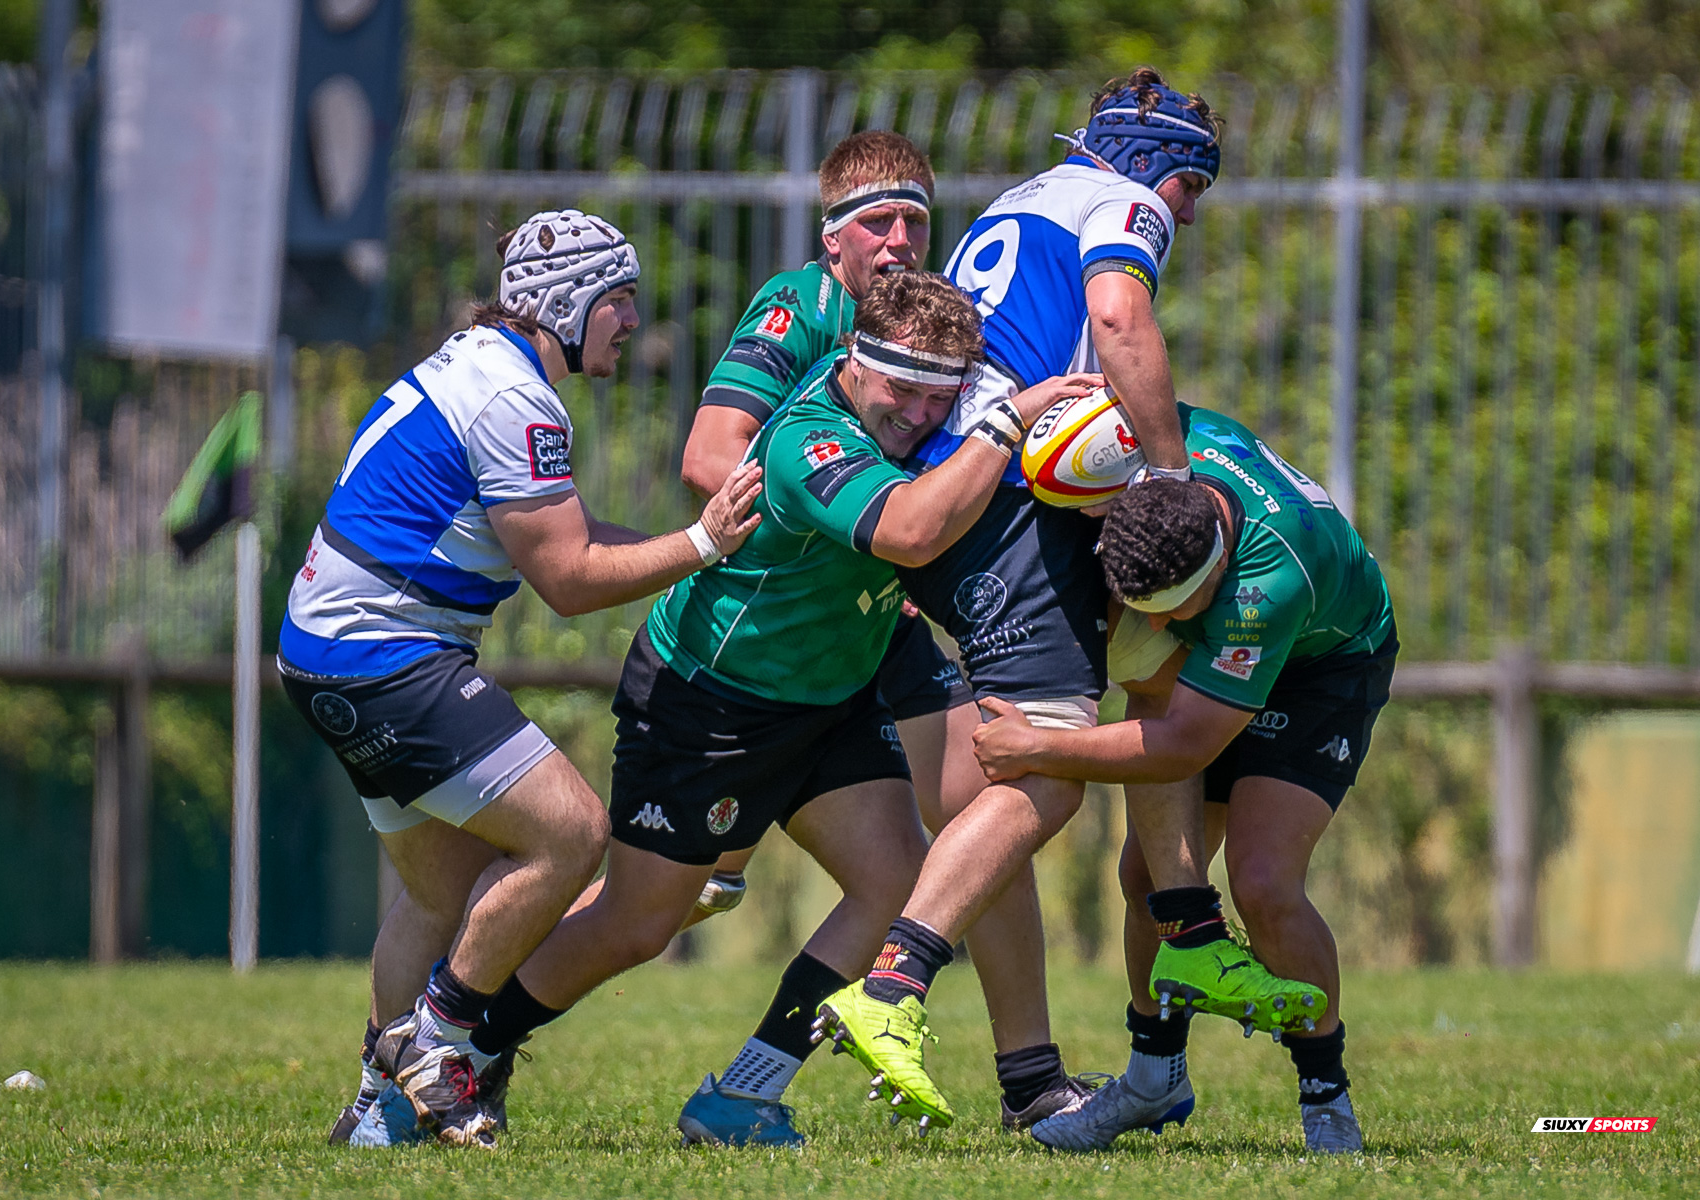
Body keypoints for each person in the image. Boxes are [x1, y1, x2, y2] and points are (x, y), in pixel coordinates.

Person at [460, 273, 1110, 1146]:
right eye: (902, 390)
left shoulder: (912, 411)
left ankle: (743, 1095)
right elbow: (911, 531)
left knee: (894, 880)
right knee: (637, 924)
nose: (920, 415)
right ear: (854, 361)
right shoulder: (809, 438)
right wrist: (1004, 422)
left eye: (939, 398)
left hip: (833, 696)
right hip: (712, 703)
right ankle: (467, 1046)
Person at [812, 67, 1321, 1133]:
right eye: (1191, 188)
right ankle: (892, 985)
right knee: (1046, 774)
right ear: (1153, 166)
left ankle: (1190, 931)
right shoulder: (1124, 202)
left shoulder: (1024, 198)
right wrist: (1171, 473)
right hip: (997, 505)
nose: (1188, 214)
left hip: (983, 488)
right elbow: (1118, 315)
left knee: (1152, 662)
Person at [593, 129, 1099, 1131]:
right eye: (878, 220)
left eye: (916, 219)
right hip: (793, 620)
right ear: (832, 236)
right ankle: (462, 1020)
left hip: (877, 611)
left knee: (990, 812)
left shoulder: (938, 310)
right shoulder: (799, 308)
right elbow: (709, 459)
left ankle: (1030, 1080)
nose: (900, 239)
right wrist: (856, 527)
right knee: (640, 912)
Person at [278, 208, 762, 1148]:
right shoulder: (518, 401)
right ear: (567, 303)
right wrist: (703, 542)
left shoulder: (479, 364)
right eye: (619, 299)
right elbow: (569, 580)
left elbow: (567, 533)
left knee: (444, 895)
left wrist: (699, 556)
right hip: (385, 652)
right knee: (572, 833)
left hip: (325, 648)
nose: (632, 321)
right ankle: (437, 1047)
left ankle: (377, 1112)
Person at [971, 403, 1398, 1154]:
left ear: (1217, 570)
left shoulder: (1265, 583)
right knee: (1147, 878)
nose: (1161, 625)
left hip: (1322, 668)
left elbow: (1177, 746)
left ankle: (1326, 1096)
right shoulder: (1150, 455)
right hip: (1226, 652)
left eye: (1174, 610)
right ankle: (1154, 1077)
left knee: (1263, 884)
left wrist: (1036, 746)